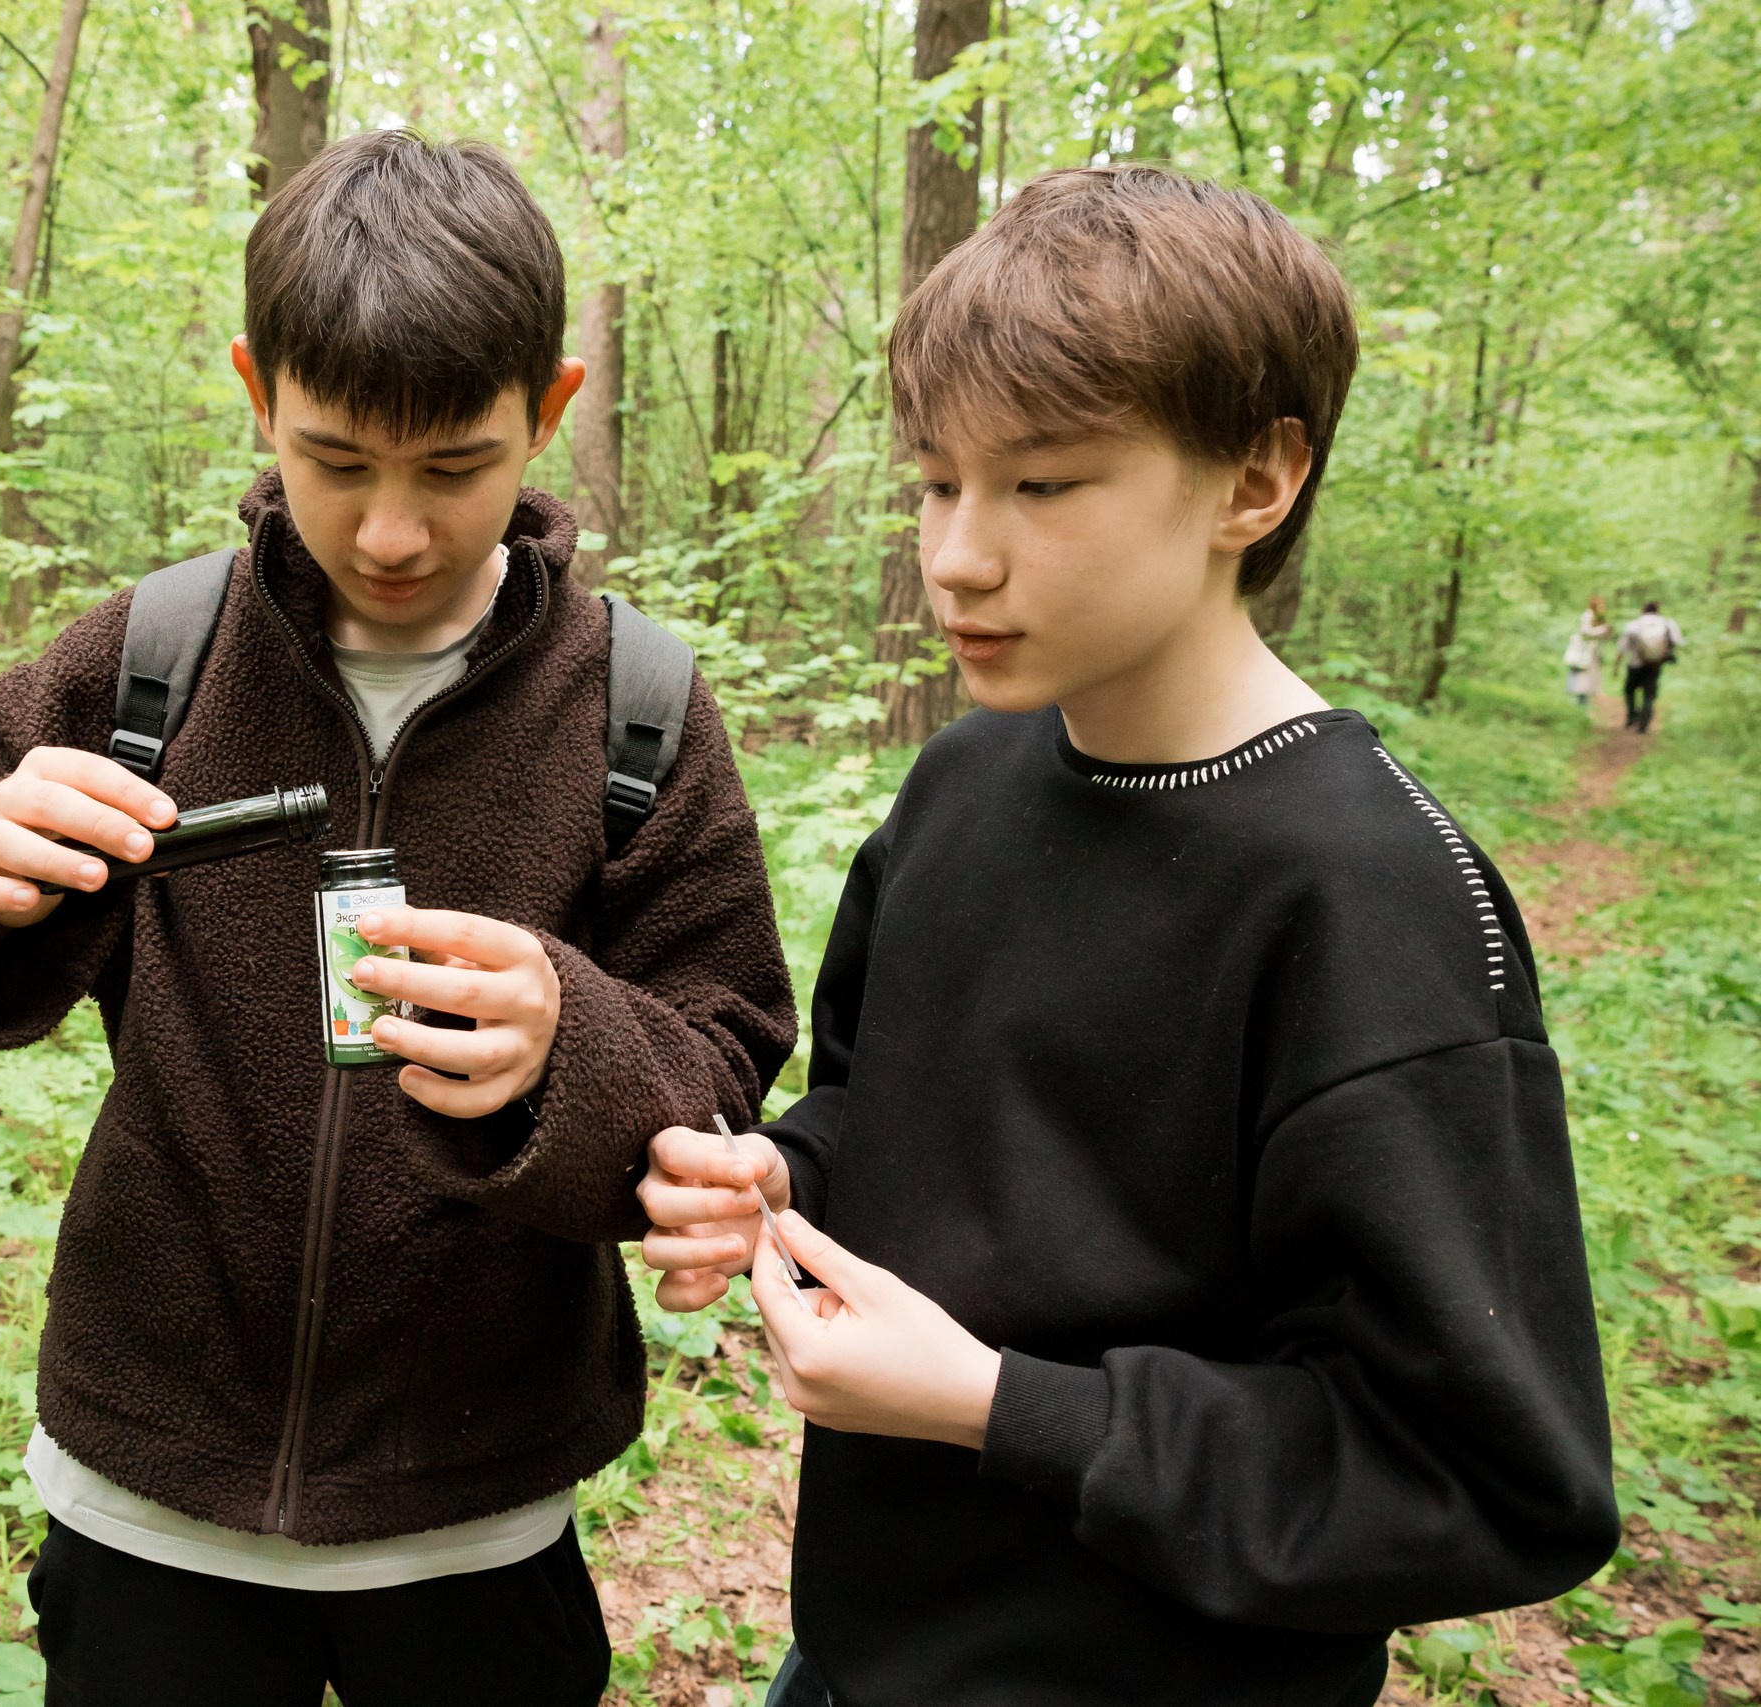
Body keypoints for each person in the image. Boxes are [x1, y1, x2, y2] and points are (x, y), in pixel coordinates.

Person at [0, 131, 796, 1706]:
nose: (391, 531)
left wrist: (569, 1044)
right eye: (336, 461)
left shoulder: (632, 708)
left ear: (550, 410)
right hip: (148, 1497)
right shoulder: (153, 659)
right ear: (257, 393)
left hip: (479, 1508)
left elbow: (724, 1054)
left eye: (454, 466)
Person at [638, 165, 1616, 1707]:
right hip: (856, 1657)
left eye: (1041, 485)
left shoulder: (1368, 899)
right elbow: (884, 1110)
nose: (956, 555)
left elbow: (1479, 1470)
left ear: (1254, 480)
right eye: (937, 481)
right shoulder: (965, 779)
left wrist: (997, 1405)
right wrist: (785, 1178)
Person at [1617, 598, 1685, 731]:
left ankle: (1632, 716)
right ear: (1657, 611)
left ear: (1643, 610)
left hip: (1635, 663)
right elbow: (1677, 641)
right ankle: (1644, 724)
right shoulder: (1666, 623)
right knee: (1649, 693)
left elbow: (1622, 647)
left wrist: (1616, 665)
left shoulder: (1634, 625)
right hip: (1655, 663)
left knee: (1629, 690)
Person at [1563, 595, 1610, 708]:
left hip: (1592, 653)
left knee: (1589, 680)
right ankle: (1580, 704)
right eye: (1600, 605)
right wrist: (1602, 630)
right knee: (1582, 679)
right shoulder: (1588, 615)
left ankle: (1584, 705)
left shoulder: (1597, 618)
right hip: (1583, 652)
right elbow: (1585, 632)